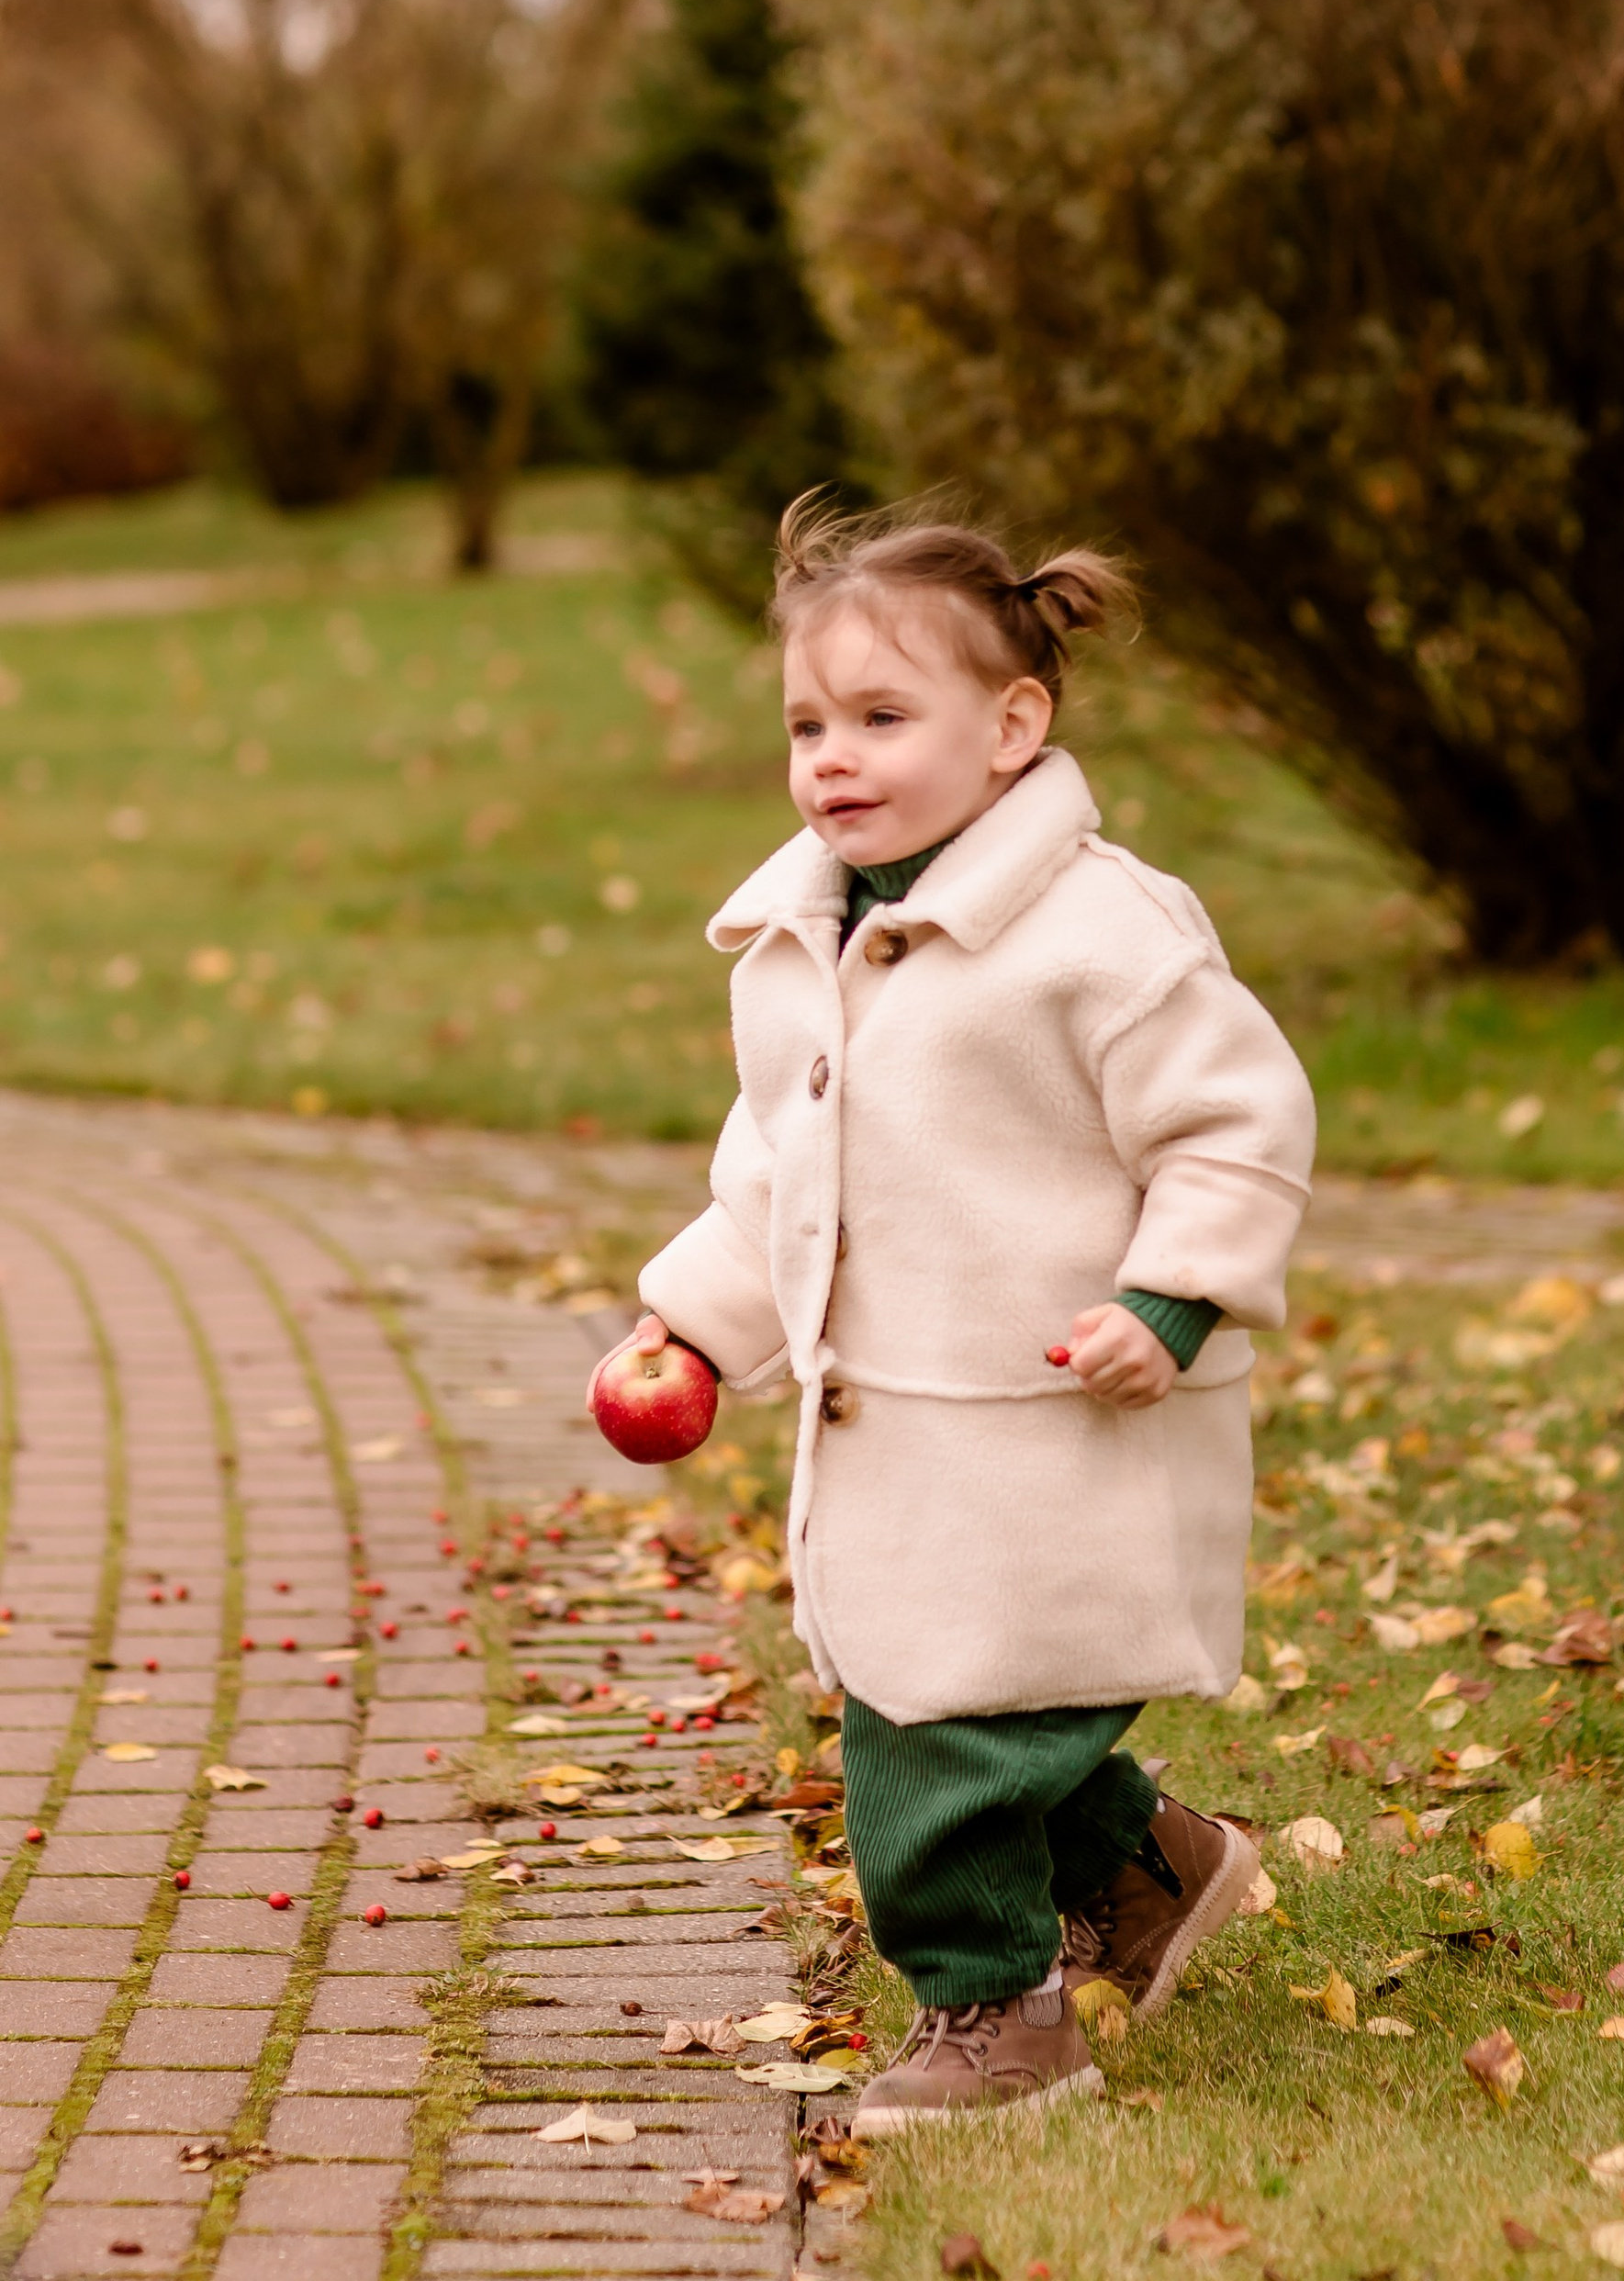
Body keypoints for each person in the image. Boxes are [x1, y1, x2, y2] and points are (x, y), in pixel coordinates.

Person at [612, 499, 1316, 2123]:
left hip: (1060, 1414)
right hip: (899, 1428)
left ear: (1013, 727)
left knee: (939, 1735)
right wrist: (698, 1327)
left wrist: (1174, 1296)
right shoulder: (805, 940)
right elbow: (778, 1174)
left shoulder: (1100, 937)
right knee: (966, 1689)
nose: (831, 758)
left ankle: (993, 2012)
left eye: (879, 718)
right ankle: (1148, 1865)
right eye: (807, 722)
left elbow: (1235, 1126)